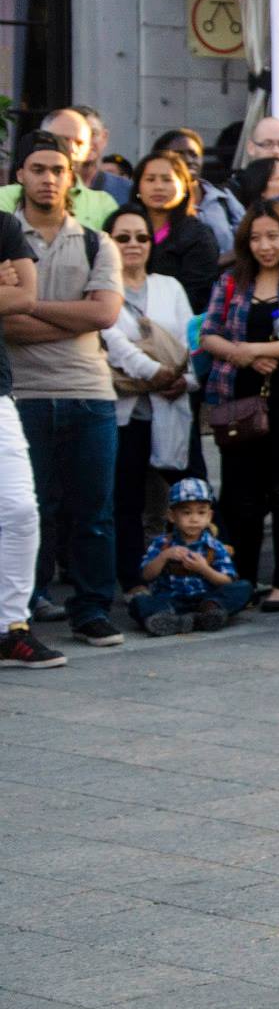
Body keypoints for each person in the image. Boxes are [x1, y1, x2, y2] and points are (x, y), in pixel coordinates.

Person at [6, 132, 124, 647]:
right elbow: (5, 327)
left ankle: (93, 609)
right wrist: (74, 320)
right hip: (23, 392)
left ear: (72, 177)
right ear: (20, 176)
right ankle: (21, 611)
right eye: (38, 169)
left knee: (93, 511)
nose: (48, 178)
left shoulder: (99, 241)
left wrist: (26, 303)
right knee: (29, 509)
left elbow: (105, 313)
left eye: (58, 169)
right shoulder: (5, 241)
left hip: (89, 391)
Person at [200, 200, 279, 610]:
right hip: (238, 397)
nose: (264, 245)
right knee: (240, 492)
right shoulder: (232, 282)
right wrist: (248, 356)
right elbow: (209, 335)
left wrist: (253, 347)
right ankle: (243, 577)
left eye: (272, 236)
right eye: (255, 238)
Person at [103, 204, 195, 587]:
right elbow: (114, 343)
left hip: (171, 406)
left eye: (141, 236)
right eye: (122, 237)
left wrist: (185, 380)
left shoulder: (169, 287)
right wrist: (155, 372)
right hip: (125, 413)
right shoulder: (102, 292)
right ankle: (131, 581)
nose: (133, 244)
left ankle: (193, 575)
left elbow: (192, 341)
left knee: (187, 497)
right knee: (125, 503)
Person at [0, 200, 53, 669]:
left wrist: (10, 291)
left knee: (18, 508)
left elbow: (25, 297)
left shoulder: (1, 225)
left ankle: (11, 625)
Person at [127, 479, 250, 635]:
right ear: (172, 516)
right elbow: (146, 575)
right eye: (186, 513)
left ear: (209, 516)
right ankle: (169, 619)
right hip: (170, 600)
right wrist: (163, 557)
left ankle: (209, 613)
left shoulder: (214, 546)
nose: (194, 519)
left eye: (201, 512)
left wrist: (204, 569)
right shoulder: (162, 543)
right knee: (139, 601)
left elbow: (227, 580)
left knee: (243, 587)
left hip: (206, 598)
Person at [132, 149, 222, 313]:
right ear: (138, 186)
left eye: (167, 180)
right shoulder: (125, 227)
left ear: (184, 187)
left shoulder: (198, 236)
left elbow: (197, 295)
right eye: (150, 179)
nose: (158, 187)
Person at [0, 108, 120, 228]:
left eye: (79, 143)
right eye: (63, 140)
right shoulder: (5, 198)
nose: (72, 149)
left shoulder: (103, 204)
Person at [154, 128, 244, 253]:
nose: (189, 160)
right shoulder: (157, 204)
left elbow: (246, 239)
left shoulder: (224, 199)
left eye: (194, 154)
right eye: (179, 154)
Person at [72, 107, 131, 205]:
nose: (87, 141)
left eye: (93, 133)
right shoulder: (51, 189)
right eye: (78, 134)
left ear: (104, 137)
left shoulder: (126, 190)